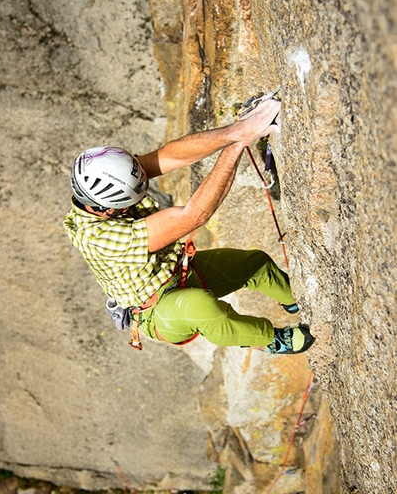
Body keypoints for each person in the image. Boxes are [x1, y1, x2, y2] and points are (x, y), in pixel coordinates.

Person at [63, 96, 314, 354]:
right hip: (158, 311)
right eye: (128, 204)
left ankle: (298, 300)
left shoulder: (108, 178)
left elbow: (171, 157)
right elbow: (193, 216)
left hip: (180, 271)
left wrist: (237, 130)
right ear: (102, 209)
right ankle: (269, 339)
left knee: (255, 265)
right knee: (200, 307)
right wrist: (238, 144)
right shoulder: (100, 238)